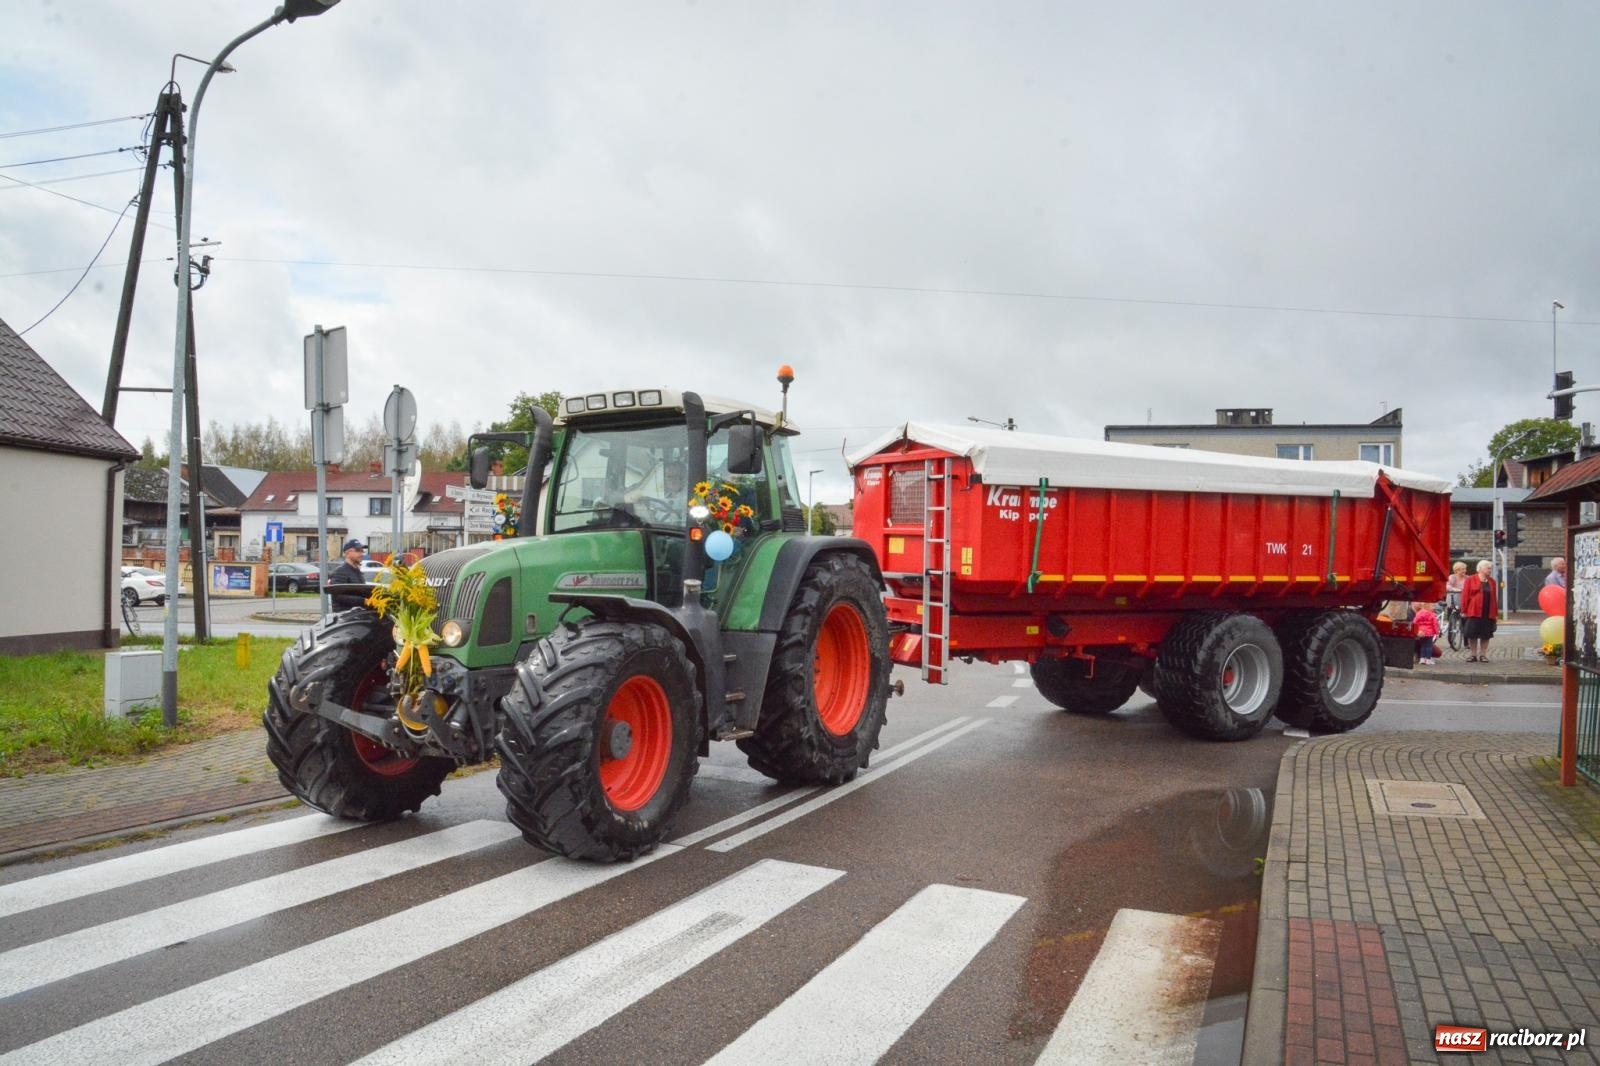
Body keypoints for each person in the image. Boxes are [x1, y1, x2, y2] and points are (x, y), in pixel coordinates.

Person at [1459, 559, 1499, 662]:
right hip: (1474, 611)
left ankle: (1483, 655)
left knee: (1486, 634)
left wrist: (1495, 613)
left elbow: (1494, 598)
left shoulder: (1492, 582)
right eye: (1488, 568)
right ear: (1480, 568)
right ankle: (1473, 654)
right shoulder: (1471, 579)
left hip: (1488, 612)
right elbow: (1465, 595)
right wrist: (1464, 610)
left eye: (1490, 568)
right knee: (1472, 633)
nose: (1490, 570)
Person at [329, 539, 368, 611]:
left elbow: (361, 592)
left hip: (358, 616)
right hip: (345, 618)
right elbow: (337, 596)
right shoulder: (340, 571)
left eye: (362, 551)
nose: (361, 554)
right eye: (358, 550)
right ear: (347, 552)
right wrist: (363, 601)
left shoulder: (357, 572)